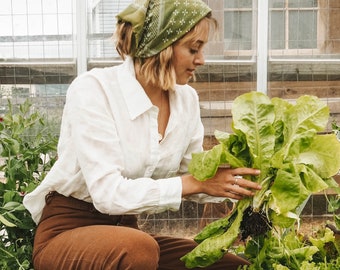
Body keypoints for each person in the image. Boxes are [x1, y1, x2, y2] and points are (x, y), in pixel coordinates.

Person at [23, 0, 262, 269]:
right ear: (162, 46)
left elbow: (198, 175)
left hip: (127, 234)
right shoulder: (94, 90)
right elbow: (108, 193)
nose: (201, 60)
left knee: (229, 265)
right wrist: (193, 183)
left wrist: (244, 183)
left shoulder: (186, 100)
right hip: (67, 232)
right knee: (138, 250)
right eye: (193, 49)